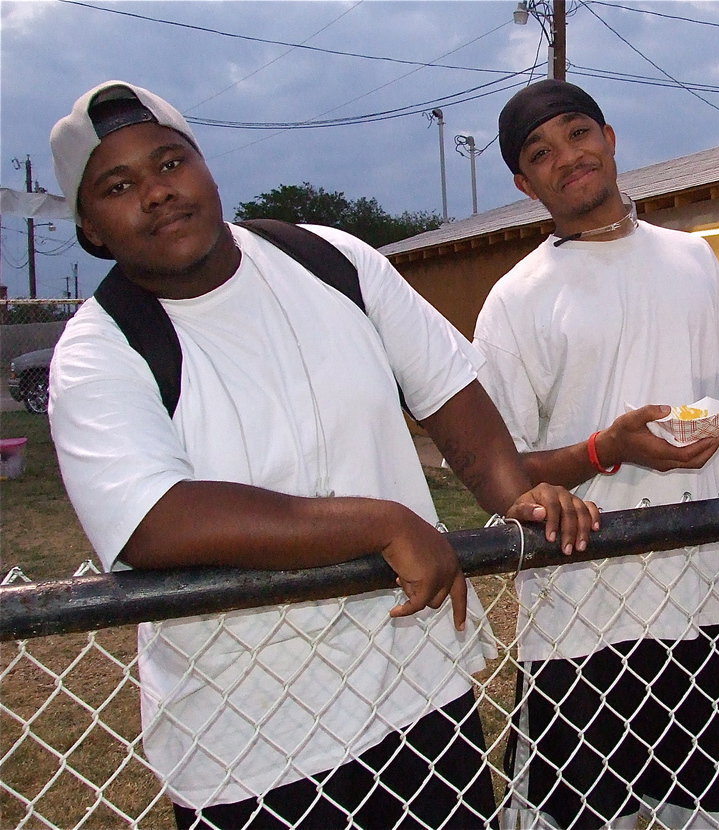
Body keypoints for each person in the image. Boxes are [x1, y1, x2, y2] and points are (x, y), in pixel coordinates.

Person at [47, 80, 599, 830]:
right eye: (118, 186)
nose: (156, 192)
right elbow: (153, 520)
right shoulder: (100, 349)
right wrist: (381, 523)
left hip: (419, 695)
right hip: (254, 746)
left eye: (171, 162)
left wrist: (513, 493)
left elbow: (446, 389)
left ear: (205, 166)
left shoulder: (327, 258)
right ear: (89, 226)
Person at [473, 79, 719, 829]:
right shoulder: (516, 300)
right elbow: (501, 471)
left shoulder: (693, 259)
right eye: (541, 153)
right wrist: (607, 449)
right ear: (524, 184)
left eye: (578, 133)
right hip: (583, 618)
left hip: (710, 604)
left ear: (611, 139)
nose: (569, 156)